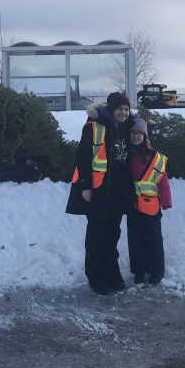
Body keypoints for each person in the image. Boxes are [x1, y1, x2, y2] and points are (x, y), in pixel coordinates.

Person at [66, 92, 136, 295]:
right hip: (98, 190)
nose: (123, 112)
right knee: (97, 234)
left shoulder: (128, 128)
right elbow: (82, 157)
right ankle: (96, 276)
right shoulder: (93, 126)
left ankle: (112, 273)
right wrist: (85, 186)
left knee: (113, 233)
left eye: (126, 109)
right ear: (111, 109)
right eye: (120, 109)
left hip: (119, 191)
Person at [126, 118, 172, 286]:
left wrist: (166, 201)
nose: (135, 136)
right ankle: (138, 272)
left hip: (152, 206)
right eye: (133, 133)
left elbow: (163, 181)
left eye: (139, 133)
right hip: (132, 205)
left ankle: (157, 272)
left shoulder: (156, 157)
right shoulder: (126, 154)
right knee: (135, 240)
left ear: (145, 136)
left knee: (154, 240)